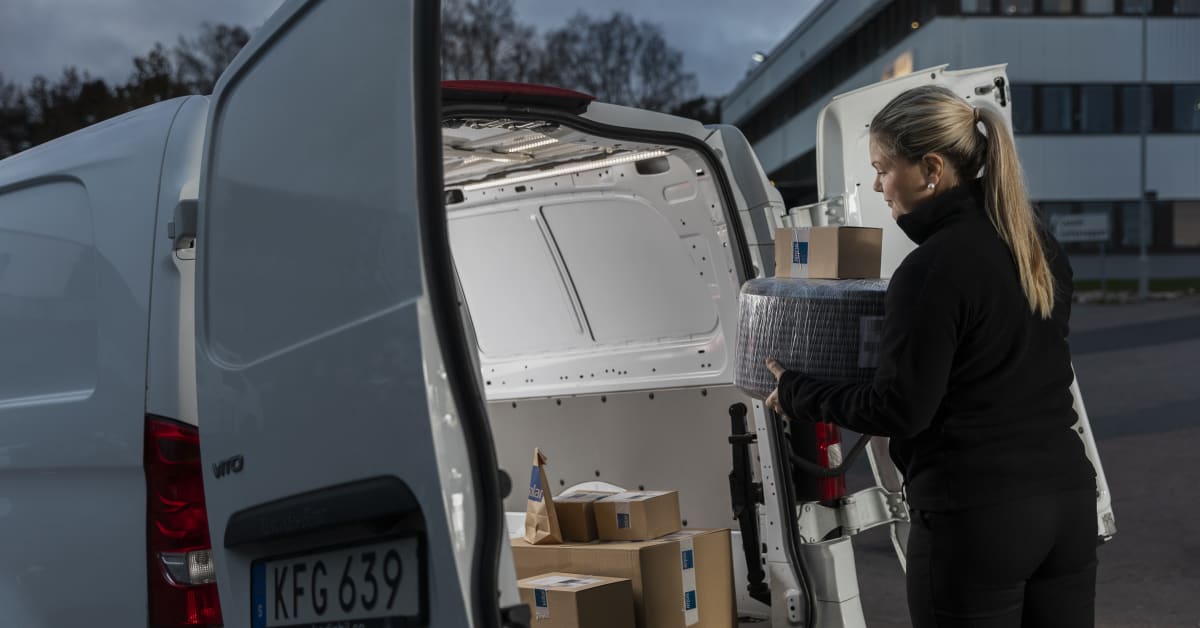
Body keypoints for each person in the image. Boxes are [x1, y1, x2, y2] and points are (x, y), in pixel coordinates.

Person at [764, 85, 1098, 628]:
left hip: (978, 518)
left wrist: (801, 392)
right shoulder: (1036, 245)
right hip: (1068, 507)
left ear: (932, 169)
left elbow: (901, 408)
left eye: (883, 168)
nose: (877, 185)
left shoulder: (931, 270)